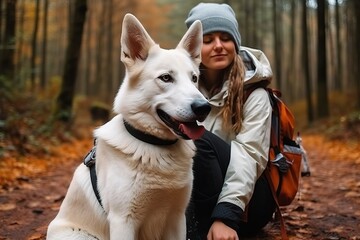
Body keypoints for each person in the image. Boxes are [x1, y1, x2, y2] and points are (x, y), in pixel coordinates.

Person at [184, 3, 276, 240]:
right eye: (208, 39)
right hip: (196, 193)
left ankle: (202, 229)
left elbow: (249, 155)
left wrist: (226, 215)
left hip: (248, 204)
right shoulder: (182, 92)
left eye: (225, 38)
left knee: (197, 140)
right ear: (194, 46)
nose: (218, 46)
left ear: (235, 43)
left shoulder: (254, 94)